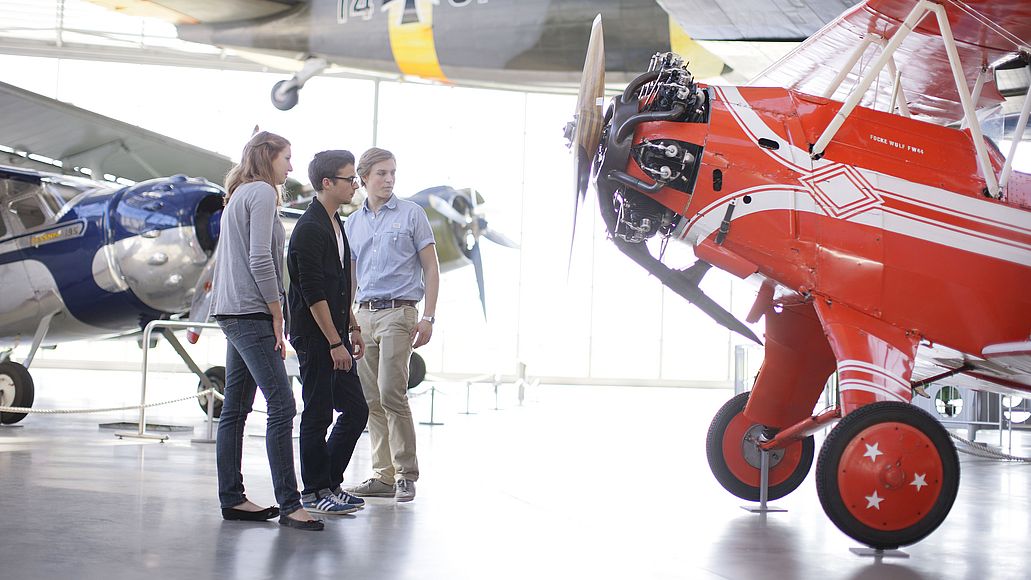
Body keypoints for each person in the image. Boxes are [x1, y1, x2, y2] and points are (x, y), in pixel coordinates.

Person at [210, 131, 323, 531]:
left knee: (236, 410)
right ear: (267, 157)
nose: (291, 167)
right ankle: (290, 504)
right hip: (251, 313)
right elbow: (260, 259)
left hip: (234, 310)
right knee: (283, 405)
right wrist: (278, 314)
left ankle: (233, 498)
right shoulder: (258, 192)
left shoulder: (240, 194)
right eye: (287, 158)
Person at [344, 147, 439, 503]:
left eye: (393, 173)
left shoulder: (413, 214)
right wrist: (348, 318)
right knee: (370, 398)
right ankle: (382, 475)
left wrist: (428, 316)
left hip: (400, 313)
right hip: (364, 315)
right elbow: (351, 277)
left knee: (390, 393)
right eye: (381, 173)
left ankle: (405, 473)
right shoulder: (353, 223)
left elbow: (431, 268)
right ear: (364, 177)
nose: (388, 180)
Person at [287, 150, 370, 515]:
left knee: (355, 410)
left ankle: (329, 482)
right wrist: (334, 341)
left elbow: (339, 287)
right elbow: (312, 291)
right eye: (350, 179)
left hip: (336, 333)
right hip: (316, 335)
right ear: (327, 183)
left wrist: (351, 325)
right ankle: (313, 491)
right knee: (318, 413)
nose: (356, 185)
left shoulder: (337, 222)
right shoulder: (310, 228)